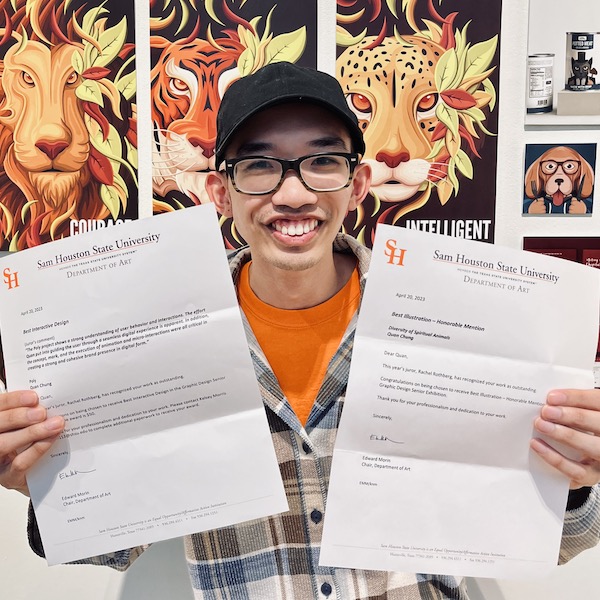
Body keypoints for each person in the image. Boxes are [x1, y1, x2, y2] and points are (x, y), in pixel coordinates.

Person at [1, 61, 600, 599]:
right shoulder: (160, 339)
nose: (293, 193)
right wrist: (42, 484)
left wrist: (572, 482)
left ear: (357, 184)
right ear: (219, 192)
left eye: (322, 161)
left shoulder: (455, 325)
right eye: (259, 165)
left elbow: (560, 541)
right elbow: (112, 548)